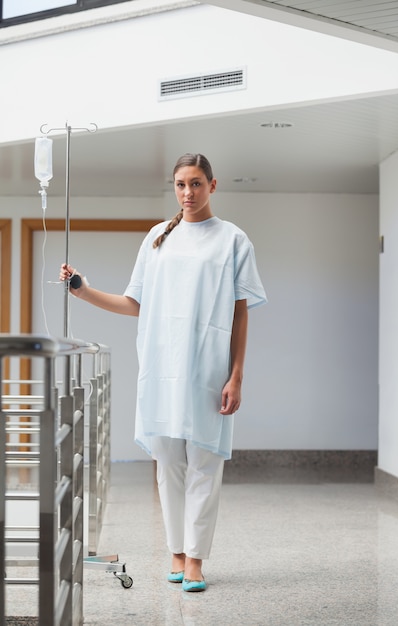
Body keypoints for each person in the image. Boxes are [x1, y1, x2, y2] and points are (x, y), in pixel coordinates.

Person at [60, 153, 267, 592]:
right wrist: (83, 290)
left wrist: (237, 375)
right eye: (180, 184)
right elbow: (135, 303)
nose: (187, 193)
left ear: (214, 185)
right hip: (161, 367)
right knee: (168, 462)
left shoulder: (232, 240)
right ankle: (175, 551)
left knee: (205, 463)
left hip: (209, 370)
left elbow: (240, 313)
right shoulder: (158, 238)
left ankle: (195, 559)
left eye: (195, 183)